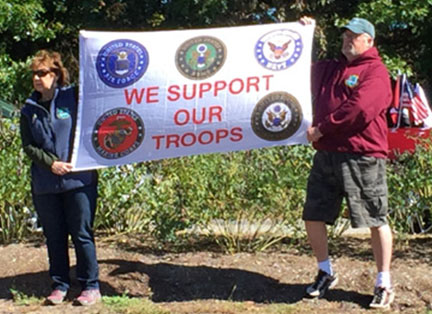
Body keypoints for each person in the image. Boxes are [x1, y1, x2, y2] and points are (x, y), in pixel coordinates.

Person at [299, 17, 395, 309]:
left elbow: (359, 110)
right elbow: (295, 72)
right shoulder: (332, 68)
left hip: (363, 155)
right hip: (327, 153)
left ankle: (383, 282)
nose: (346, 40)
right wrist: (303, 36)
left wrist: (322, 128)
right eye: (344, 35)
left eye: (354, 36)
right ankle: (325, 271)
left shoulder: (376, 72)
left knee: (375, 219)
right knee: (313, 214)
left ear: (369, 41)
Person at [20, 50, 101, 306]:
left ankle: (90, 286)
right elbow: (29, 146)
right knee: (54, 236)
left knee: (81, 233)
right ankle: (60, 284)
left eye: (42, 73)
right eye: (34, 73)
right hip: (46, 184)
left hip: (79, 180)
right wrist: (50, 164)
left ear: (56, 75)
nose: (37, 78)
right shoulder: (28, 109)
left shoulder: (74, 97)